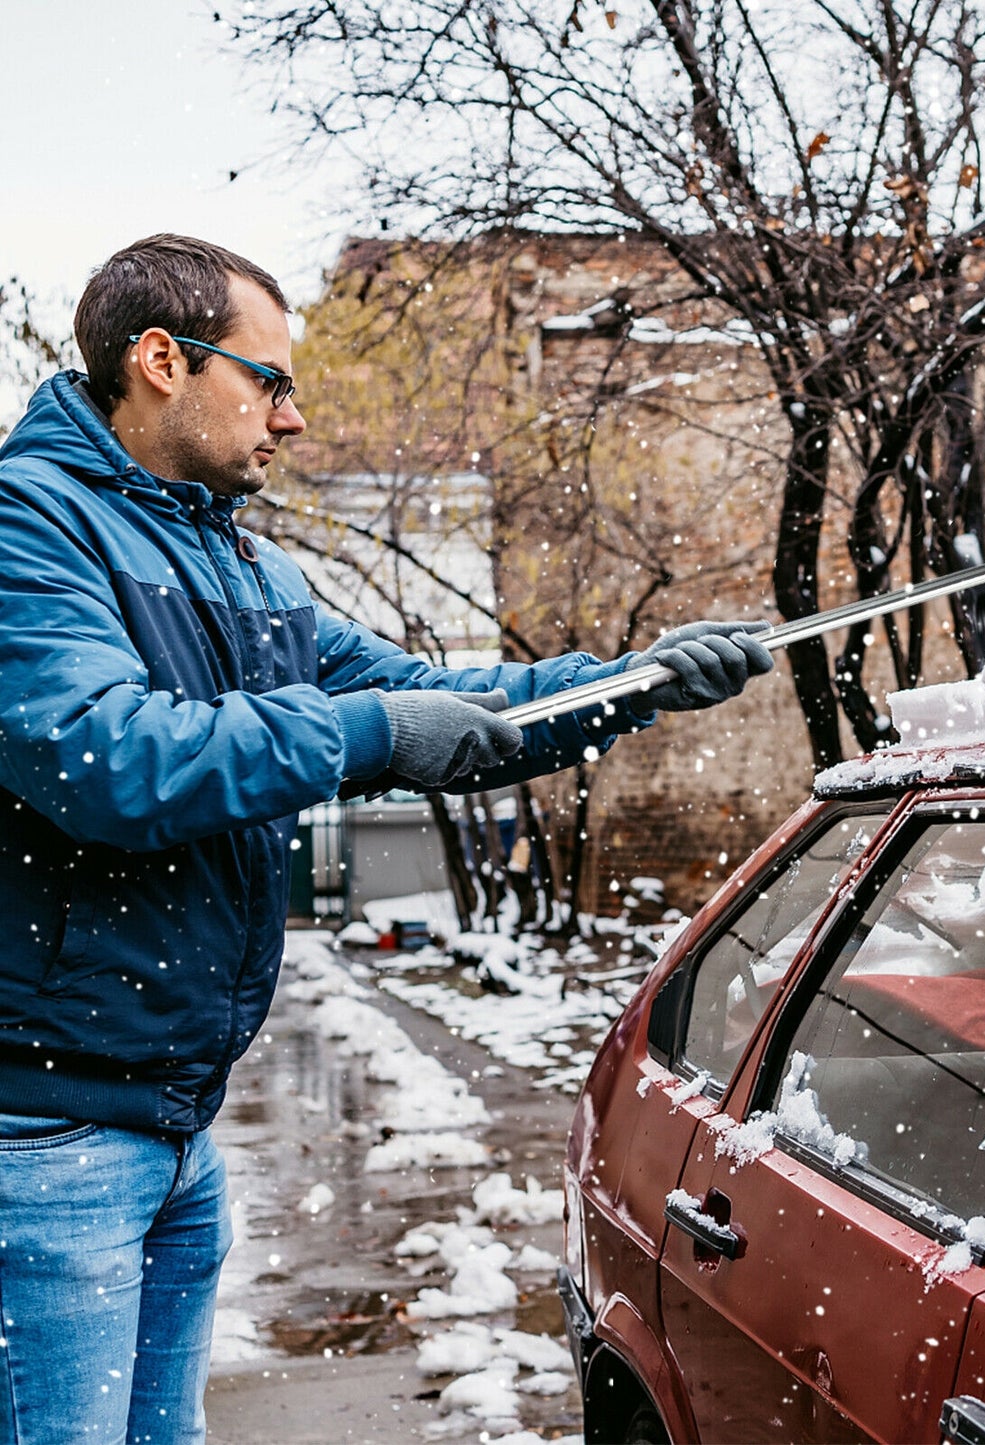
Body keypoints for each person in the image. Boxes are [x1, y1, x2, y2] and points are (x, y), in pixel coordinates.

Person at [0, 233, 773, 1443]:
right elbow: (105, 756)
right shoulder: (29, 527)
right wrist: (360, 731)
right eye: (269, 380)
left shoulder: (235, 561)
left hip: (170, 1123)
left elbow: (438, 701)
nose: (293, 417)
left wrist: (633, 681)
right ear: (161, 360)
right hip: (48, 1139)